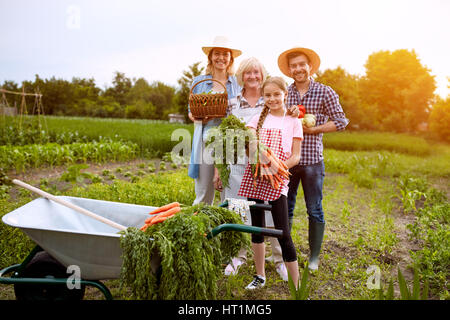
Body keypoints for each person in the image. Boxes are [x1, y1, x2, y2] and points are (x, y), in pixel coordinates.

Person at [215, 57, 299, 281]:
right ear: (241, 76)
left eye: (257, 73)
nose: (252, 77)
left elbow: (287, 122)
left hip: (266, 168)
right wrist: (217, 170)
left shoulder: (270, 101)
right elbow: (223, 138)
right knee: (239, 210)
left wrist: (293, 113)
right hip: (237, 167)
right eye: (248, 73)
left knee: (272, 216)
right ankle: (238, 256)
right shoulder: (232, 103)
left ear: (263, 77)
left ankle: (280, 259)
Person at [277, 47, 349, 271]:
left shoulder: (325, 92)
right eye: (294, 66)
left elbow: (341, 121)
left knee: (314, 209)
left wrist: (314, 129)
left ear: (310, 67)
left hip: (312, 161)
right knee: (285, 209)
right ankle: (285, 254)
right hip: (288, 161)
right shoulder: (284, 93)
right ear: (289, 70)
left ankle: (314, 257)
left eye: (302, 64)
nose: (298, 69)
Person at [237, 76, 303, 290]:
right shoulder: (257, 119)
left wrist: (277, 166)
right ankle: (260, 276)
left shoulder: (293, 122)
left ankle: (296, 284)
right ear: (263, 97)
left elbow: (295, 156)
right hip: (255, 177)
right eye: (268, 95)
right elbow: (249, 142)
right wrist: (259, 153)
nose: (272, 98)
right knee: (257, 229)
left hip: (277, 179)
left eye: (276, 94)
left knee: (283, 233)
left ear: (285, 94)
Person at [187, 36, 242, 205]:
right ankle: (202, 228)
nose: (221, 58)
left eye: (225, 54)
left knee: (229, 188)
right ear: (210, 57)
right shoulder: (199, 82)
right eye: (217, 53)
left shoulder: (237, 83)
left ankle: (228, 228)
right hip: (205, 139)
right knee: (203, 191)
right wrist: (200, 117)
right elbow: (191, 112)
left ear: (230, 59)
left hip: (230, 140)